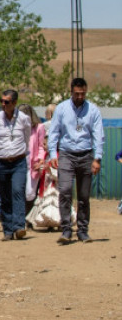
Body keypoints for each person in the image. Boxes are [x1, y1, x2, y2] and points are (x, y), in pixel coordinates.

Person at [47, 77, 104, 244]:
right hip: (66, 154)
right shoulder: (62, 109)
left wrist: (97, 158)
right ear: (71, 91)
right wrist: (52, 154)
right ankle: (66, 229)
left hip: (86, 154)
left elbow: (98, 135)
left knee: (84, 196)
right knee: (65, 190)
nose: (80, 97)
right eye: (77, 93)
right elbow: (54, 132)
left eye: (83, 93)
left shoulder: (93, 110)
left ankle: (83, 230)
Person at [0, 89, 32, 241]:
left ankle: (19, 226)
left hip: (18, 161)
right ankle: (8, 229)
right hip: (1, 162)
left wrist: (21, 151)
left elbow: (27, 138)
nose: (3, 104)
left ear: (14, 103)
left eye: (6, 102)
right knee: (4, 195)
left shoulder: (24, 119)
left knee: (18, 191)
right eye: (2, 101)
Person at [18, 103, 46, 216]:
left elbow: (41, 146)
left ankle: (29, 217)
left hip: (32, 164)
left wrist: (40, 159)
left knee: (30, 193)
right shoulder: (18, 128)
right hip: (20, 162)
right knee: (19, 190)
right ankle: (20, 217)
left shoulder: (39, 127)